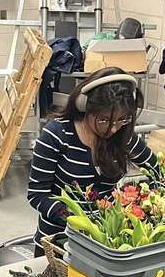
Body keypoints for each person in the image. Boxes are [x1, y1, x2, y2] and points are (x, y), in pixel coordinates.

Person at [27, 66, 157, 243]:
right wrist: (73, 219)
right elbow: (37, 194)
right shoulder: (57, 135)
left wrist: (149, 205)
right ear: (84, 106)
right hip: (58, 239)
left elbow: (157, 170)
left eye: (122, 120)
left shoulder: (122, 137)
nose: (113, 128)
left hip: (106, 241)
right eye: (104, 120)